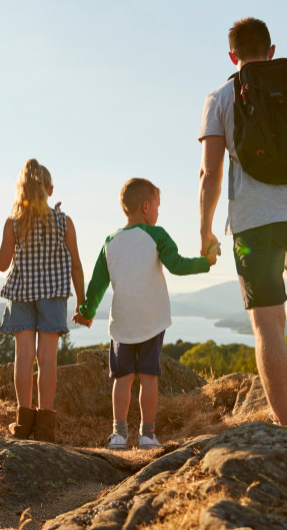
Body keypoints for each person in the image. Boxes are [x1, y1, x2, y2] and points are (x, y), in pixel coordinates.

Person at [197, 17, 287, 429]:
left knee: (265, 321)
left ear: (232, 55)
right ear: (272, 50)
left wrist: (205, 228)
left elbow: (211, 173)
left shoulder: (221, 97)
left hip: (255, 220)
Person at [73, 179, 215, 449]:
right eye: (158, 207)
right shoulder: (157, 234)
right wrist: (205, 263)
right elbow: (177, 265)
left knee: (122, 380)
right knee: (149, 379)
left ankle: (119, 435)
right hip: (151, 321)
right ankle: (148, 435)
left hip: (122, 324)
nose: (158, 213)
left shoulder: (110, 242)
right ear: (146, 207)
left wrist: (87, 312)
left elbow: (97, 284)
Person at [0, 159, 85, 442]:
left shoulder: (14, 223)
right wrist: (83, 303)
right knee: (47, 359)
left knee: (23, 358)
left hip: (21, 293)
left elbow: (2, 264)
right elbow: (75, 266)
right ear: (49, 189)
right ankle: (46, 425)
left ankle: (23, 422)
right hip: (53, 295)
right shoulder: (64, 222)